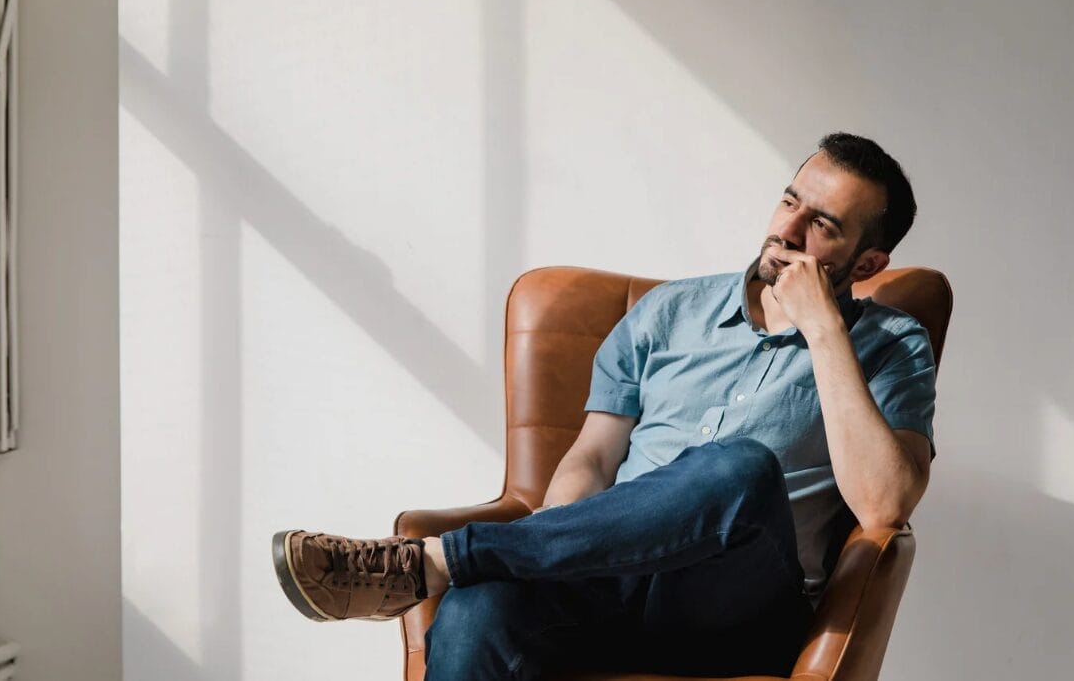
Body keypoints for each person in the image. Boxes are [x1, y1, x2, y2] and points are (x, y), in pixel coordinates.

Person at [271, 132, 937, 680]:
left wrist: (823, 328)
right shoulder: (669, 314)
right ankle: (463, 568)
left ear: (866, 261)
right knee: (476, 609)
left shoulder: (888, 344)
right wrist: (546, 557)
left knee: (738, 468)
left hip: (732, 612)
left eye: (821, 225)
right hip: (605, 589)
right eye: (789, 201)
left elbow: (886, 504)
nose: (786, 230)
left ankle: (435, 561)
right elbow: (591, 459)